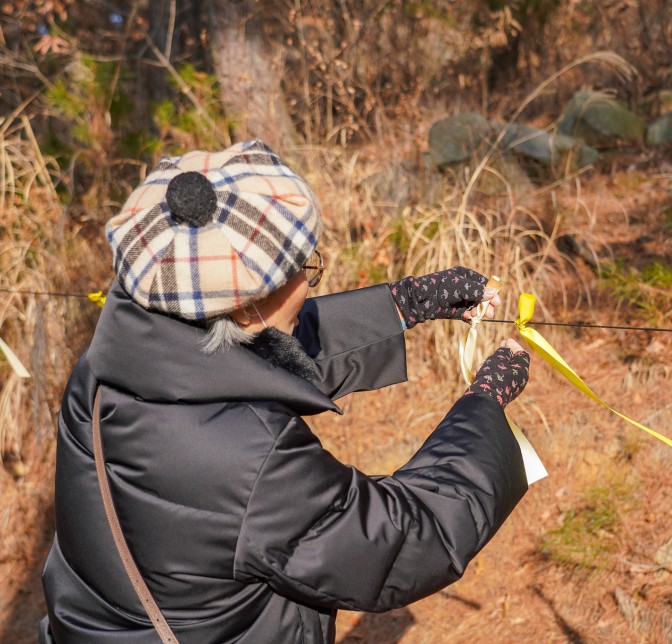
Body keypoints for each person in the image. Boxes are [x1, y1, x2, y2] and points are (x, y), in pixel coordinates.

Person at [39, 140, 532, 643]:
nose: (308, 282)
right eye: (303, 270)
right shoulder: (248, 461)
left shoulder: (111, 363)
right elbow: (402, 542)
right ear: (244, 307)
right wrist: (486, 407)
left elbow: (255, 354)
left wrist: (403, 305)